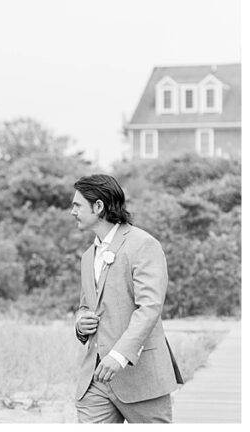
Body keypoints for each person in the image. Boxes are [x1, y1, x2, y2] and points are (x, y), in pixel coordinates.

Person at [71, 174, 183, 423]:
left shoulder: (143, 244)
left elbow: (150, 307)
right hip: (95, 381)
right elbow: (85, 306)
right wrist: (80, 322)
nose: (72, 212)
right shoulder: (88, 256)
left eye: (77, 205)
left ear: (98, 206)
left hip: (141, 377)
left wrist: (119, 355)